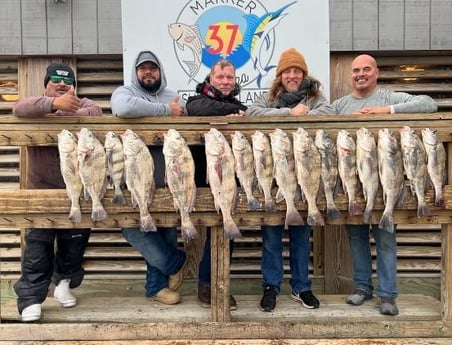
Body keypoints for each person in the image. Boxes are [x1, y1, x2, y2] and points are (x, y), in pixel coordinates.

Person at [331, 53, 438, 316]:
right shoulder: (340, 105)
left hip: (387, 186)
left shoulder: (390, 97)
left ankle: (388, 295)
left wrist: (385, 112)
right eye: (356, 70)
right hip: (352, 186)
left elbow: (429, 103)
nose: (361, 74)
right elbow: (312, 119)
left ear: (376, 73)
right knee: (356, 237)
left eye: (366, 69)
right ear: (351, 75)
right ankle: (362, 288)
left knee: (386, 240)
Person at [13, 62, 103, 322]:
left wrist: (62, 113)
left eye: (68, 82)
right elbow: (18, 108)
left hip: (78, 190)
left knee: (74, 243)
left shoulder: (83, 103)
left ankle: (63, 284)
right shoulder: (35, 105)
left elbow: (95, 113)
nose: (62, 85)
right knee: (37, 247)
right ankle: (30, 298)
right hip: (42, 191)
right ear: (45, 84)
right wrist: (53, 105)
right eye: (55, 80)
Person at [246, 48, 333, 312]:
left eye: (297, 71)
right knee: (271, 237)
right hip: (273, 179)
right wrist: (288, 115)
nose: (292, 76)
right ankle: (271, 286)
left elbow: (330, 114)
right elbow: (252, 114)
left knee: (301, 236)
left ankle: (301, 287)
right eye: (288, 71)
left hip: (305, 177)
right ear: (280, 75)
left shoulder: (316, 98)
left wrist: (306, 114)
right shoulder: (269, 99)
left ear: (303, 74)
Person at [110, 50, 188, 305]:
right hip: (133, 181)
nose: (148, 72)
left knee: (165, 233)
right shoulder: (127, 93)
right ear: (135, 72)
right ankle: (176, 263)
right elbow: (122, 108)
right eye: (143, 68)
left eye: (152, 68)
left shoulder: (172, 95)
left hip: (167, 180)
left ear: (160, 72)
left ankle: (157, 288)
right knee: (133, 230)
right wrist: (166, 111)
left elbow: (186, 118)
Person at [186, 59, 247, 310]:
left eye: (229, 77)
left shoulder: (239, 105)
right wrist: (228, 113)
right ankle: (204, 283)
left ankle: (215, 286)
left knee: (224, 233)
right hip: (200, 180)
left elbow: (243, 113)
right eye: (220, 77)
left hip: (228, 179)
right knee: (211, 232)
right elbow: (198, 109)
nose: (225, 81)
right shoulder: (195, 100)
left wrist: (234, 112)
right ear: (210, 79)